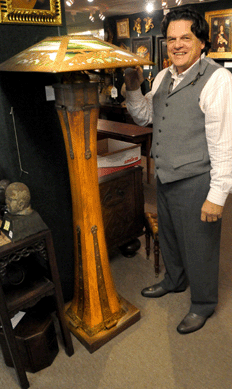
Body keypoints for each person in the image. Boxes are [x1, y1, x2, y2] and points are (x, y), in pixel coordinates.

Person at [124, 8, 232, 334]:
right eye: (171, 39)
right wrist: (132, 86)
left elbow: (224, 144)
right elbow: (145, 116)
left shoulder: (219, 80)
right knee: (169, 237)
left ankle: (203, 304)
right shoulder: (161, 76)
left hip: (198, 179)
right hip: (164, 175)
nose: (177, 45)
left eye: (186, 37)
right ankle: (174, 280)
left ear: (202, 42)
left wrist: (218, 195)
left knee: (200, 246)